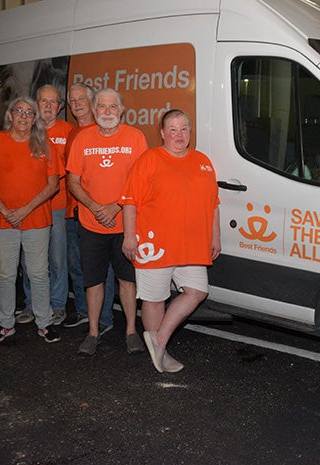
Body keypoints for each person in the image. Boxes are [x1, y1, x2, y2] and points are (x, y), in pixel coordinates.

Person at [122, 109, 221, 373]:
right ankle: (160, 354)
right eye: (173, 130)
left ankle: (160, 339)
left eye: (184, 129)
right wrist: (129, 236)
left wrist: (216, 236)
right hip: (154, 244)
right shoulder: (149, 159)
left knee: (197, 291)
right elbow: (130, 201)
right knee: (154, 299)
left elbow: (213, 204)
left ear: (190, 132)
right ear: (163, 134)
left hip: (192, 245)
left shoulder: (203, 162)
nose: (179, 135)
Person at [0, 96, 63, 344]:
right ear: (10, 115)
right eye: (19, 111)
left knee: (38, 274)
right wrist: (5, 210)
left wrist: (24, 210)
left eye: (29, 112)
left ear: (35, 118)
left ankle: (44, 323)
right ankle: (5, 324)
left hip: (36, 219)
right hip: (2, 221)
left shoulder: (44, 144)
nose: (24, 116)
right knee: (5, 274)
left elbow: (53, 185)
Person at [67, 88, 147, 356]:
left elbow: (142, 182)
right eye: (102, 107)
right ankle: (92, 332)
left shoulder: (135, 138)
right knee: (93, 281)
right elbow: (73, 181)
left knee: (127, 280)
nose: (107, 112)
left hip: (125, 226)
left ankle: (131, 331)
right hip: (91, 225)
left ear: (122, 110)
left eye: (113, 107)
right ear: (93, 110)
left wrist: (115, 206)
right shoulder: (82, 139)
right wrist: (93, 206)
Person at [62, 83, 117, 335]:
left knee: (102, 270)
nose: (76, 104)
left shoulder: (105, 131)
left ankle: (104, 318)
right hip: (74, 212)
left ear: (92, 103)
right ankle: (85, 312)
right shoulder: (74, 133)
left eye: (81, 99)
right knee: (78, 266)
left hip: (102, 215)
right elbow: (71, 177)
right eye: (72, 100)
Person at [17, 85, 74, 326]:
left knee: (58, 260)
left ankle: (58, 306)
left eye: (53, 102)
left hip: (58, 207)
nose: (48, 106)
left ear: (60, 107)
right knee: (30, 260)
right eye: (43, 101)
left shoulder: (69, 132)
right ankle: (33, 305)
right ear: (36, 104)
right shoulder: (24, 132)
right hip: (30, 209)